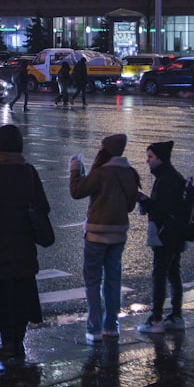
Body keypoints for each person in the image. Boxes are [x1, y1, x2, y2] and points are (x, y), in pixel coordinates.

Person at [0, 125, 51, 360]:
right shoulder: (29, 172)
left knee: (2, 300)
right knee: (22, 297)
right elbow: (43, 207)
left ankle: (7, 343)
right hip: (23, 248)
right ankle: (19, 342)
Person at [69, 134, 141, 344]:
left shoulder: (101, 173)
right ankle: (112, 326)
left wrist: (75, 169)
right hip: (118, 234)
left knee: (92, 280)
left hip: (96, 234)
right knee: (113, 279)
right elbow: (129, 206)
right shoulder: (130, 173)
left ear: (105, 150)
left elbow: (77, 191)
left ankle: (94, 328)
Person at [137, 141, 188, 334]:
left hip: (167, 235)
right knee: (173, 274)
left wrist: (142, 199)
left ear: (161, 159)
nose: (147, 161)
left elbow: (162, 210)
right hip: (176, 235)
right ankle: (176, 316)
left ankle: (156, 318)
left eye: (151, 157)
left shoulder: (166, 180)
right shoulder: (171, 176)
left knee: (160, 275)